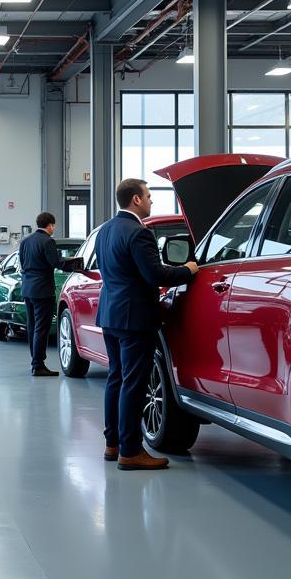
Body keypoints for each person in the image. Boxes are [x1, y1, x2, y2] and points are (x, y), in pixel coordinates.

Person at [95, 179, 199, 471]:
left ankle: (112, 443)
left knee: (116, 378)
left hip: (110, 315)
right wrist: (188, 269)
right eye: (149, 196)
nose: (152, 201)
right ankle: (130, 451)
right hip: (135, 318)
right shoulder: (139, 233)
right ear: (136, 200)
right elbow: (156, 274)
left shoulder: (105, 231)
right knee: (133, 383)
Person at [18, 211, 66, 377]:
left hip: (28, 289)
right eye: (54, 226)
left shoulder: (25, 241)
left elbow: (22, 263)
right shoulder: (48, 241)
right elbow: (56, 263)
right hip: (43, 290)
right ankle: (38, 365)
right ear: (50, 225)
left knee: (32, 326)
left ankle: (35, 362)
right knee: (41, 328)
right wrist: (75, 265)